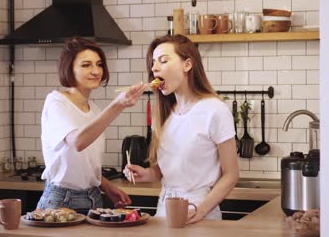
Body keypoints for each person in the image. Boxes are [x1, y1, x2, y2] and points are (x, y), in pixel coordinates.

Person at [124, 35, 239, 223]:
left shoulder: (215, 110)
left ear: (187, 65)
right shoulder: (163, 114)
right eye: (153, 63)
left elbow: (231, 175)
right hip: (163, 209)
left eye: (163, 60)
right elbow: (167, 170)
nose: (154, 68)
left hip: (199, 211)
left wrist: (199, 211)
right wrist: (148, 174)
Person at [37, 37, 146, 214]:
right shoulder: (56, 102)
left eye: (99, 64)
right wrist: (118, 105)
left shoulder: (94, 110)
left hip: (94, 198)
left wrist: (107, 187)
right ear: (69, 69)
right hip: (62, 201)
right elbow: (78, 142)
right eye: (86, 65)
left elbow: (85, 162)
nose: (96, 71)